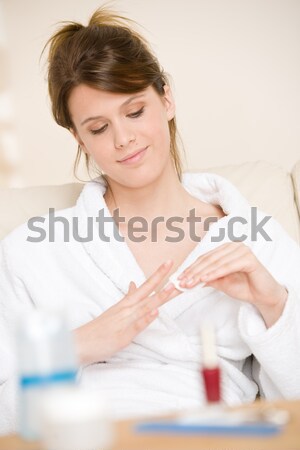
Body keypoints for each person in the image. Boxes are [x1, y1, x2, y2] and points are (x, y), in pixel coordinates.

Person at [1, 6, 300, 435]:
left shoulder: (252, 238)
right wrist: (77, 345)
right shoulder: (34, 250)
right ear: (79, 138)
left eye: (135, 111)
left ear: (166, 98)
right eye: (99, 128)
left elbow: (292, 398)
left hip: (210, 436)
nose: (124, 139)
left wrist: (273, 304)